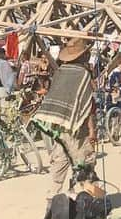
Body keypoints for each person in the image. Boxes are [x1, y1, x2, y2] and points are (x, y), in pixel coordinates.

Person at [36, 38, 97, 202]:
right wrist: (92, 130)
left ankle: (52, 197)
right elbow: (87, 106)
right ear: (84, 55)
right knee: (85, 161)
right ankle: (89, 196)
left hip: (60, 126)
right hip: (78, 127)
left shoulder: (61, 72)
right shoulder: (83, 75)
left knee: (60, 160)